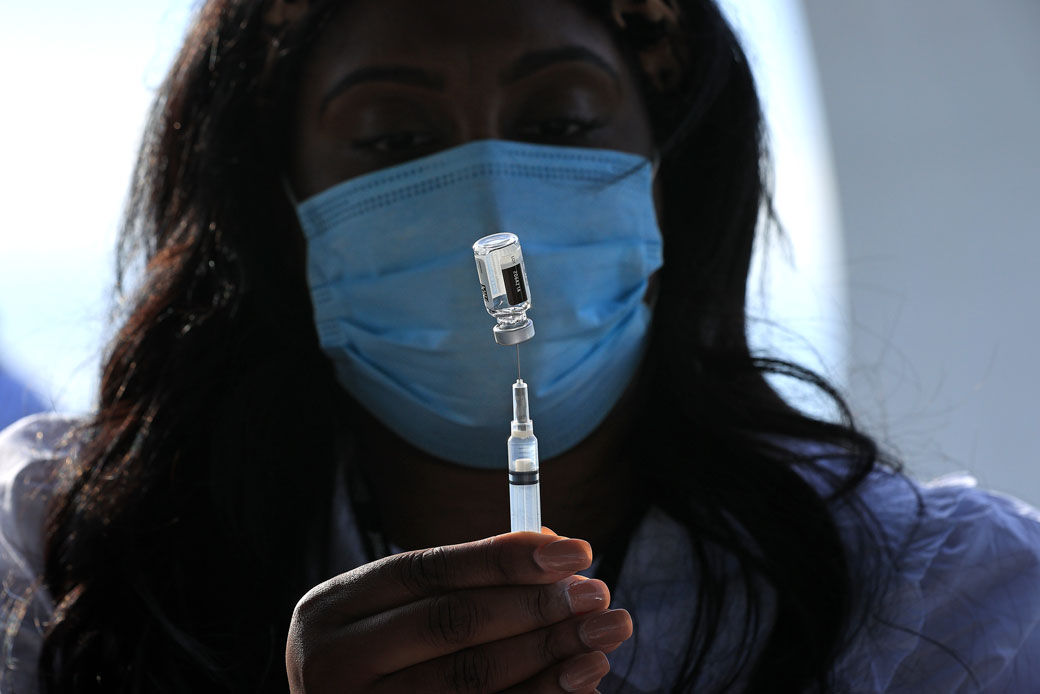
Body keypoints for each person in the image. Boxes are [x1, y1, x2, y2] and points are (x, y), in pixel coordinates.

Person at [1, 0, 1038, 692]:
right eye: (394, 140)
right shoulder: (59, 564)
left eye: (563, 121)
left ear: (669, 170)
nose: (491, 202)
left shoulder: (950, 604)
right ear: (280, 208)